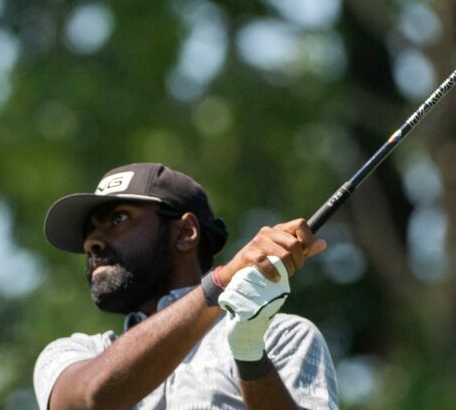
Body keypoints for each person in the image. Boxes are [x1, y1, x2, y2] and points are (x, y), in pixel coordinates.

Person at [33, 162, 339, 410]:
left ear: (185, 232)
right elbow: (89, 400)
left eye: (117, 219)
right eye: (90, 231)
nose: (92, 242)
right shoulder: (79, 353)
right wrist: (222, 282)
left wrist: (250, 355)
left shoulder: (281, 338)